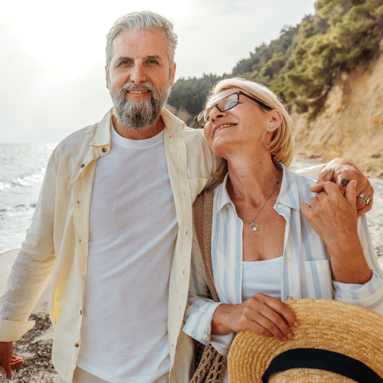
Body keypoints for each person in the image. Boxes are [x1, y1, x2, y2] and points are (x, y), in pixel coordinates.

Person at [0, 11, 374, 383]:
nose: (137, 76)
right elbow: (37, 250)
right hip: (87, 366)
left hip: (171, 366)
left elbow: (262, 168)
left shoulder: (198, 149)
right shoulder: (69, 156)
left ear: (172, 73)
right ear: (107, 73)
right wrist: (6, 329)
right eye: (124, 63)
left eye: (152, 62)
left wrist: (340, 171)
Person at [183, 78, 383, 382]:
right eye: (208, 113)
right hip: (240, 374)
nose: (214, 115)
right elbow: (183, 302)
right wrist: (227, 314)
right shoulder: (200, 214)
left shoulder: (325, 196)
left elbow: (369, 314)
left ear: (272, 119)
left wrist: (345, 246)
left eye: (229, 102)